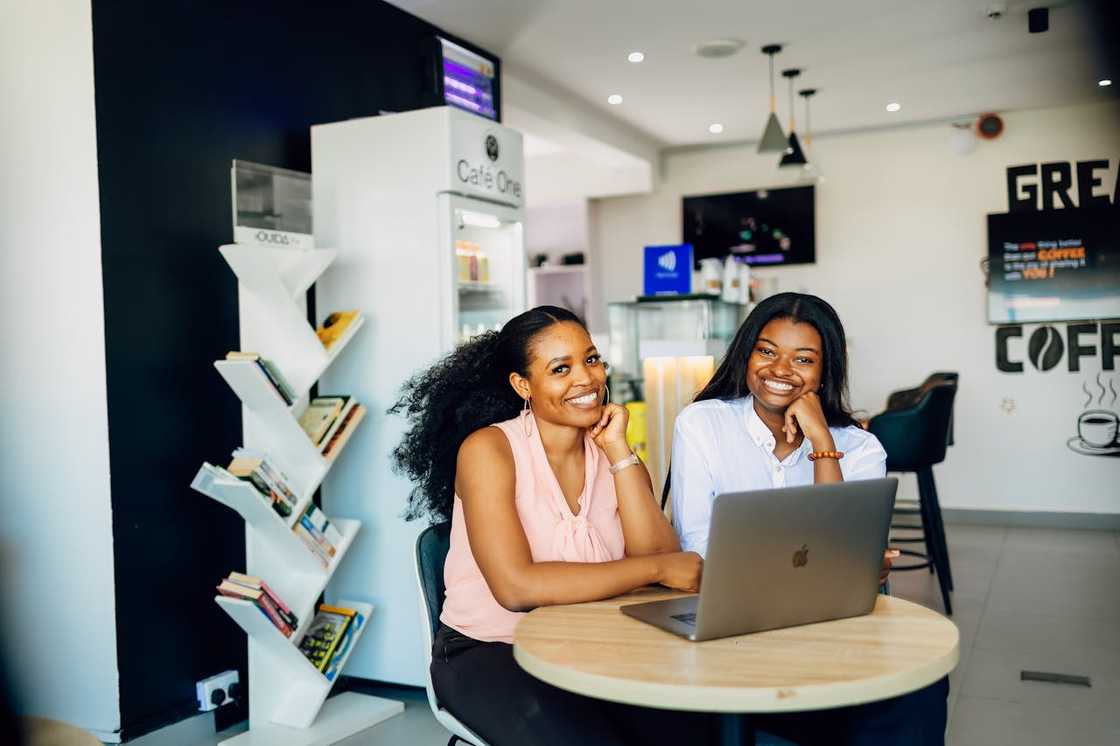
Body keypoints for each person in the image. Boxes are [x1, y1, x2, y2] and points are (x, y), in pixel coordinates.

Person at [391, 305, 715, 746]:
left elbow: (661, 558)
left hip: (595, 638)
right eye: (561, 368)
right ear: (523, 385)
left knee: (697, 728)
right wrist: (656, 572)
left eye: (592, 359)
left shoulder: (611, 449)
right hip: (492, 651)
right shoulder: (489, 449)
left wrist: (620, 452)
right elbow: (516, 588)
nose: (586, 378)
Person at [668, 291, 948, 745]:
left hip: (832, 626)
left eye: (803, 359)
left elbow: (845, 559)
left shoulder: (860, 449)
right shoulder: (702, 424)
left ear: (825, 371)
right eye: (766, 351)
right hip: (732, 621)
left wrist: (821, 441)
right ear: (746, 354)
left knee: (920, 691)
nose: (780, 371)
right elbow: (697, 543)